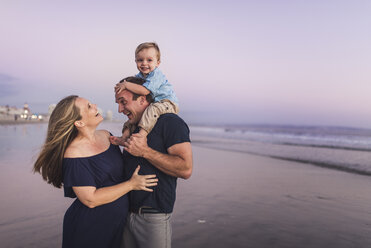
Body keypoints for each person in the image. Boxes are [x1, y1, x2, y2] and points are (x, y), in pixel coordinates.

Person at [33, 95, 158, 248]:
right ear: (79, 122)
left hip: (116, 224)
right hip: (90, 227)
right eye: (89, 107)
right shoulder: (74, 153)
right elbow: (90, 199)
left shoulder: (106, 135)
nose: (95, 106)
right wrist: (131, 185)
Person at [113, 76, 193, 248]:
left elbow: (186, 169)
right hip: (125, 214)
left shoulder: (171, 122)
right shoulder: (133, 127)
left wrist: (145, 152)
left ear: (142, 99)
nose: (120, 109)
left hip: (153, 217)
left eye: (123, 102)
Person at [111, 42, 178, 145]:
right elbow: (134, 84)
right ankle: (124, 137)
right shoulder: (140, 76)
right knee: (131, 121)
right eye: (140, 60)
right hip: (155, 103)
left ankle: (142, 134)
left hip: (167, 103)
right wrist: (122, 86)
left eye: (149, 60)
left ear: (158, 63)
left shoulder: (156, 74)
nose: (144, 63)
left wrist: (126, 85)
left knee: (152, 110)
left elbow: (145, 91)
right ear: (135, 61)